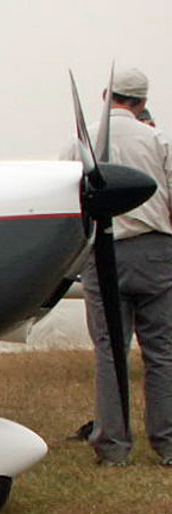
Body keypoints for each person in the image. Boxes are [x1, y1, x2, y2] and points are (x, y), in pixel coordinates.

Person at [78, 68, 172, 465]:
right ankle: (168, 443)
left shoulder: (79, 143)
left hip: (102, 252)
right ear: (142, 103)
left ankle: (114, 447)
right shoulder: (157, 139)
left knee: (110, 351)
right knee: (162, 352)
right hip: (154, 250)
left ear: (105, 94)